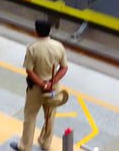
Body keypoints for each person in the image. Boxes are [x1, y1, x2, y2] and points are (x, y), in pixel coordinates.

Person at [11, 20, 69, 151]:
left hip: (36, 89)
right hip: (54, 89)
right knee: (50, 117)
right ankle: (45, 143)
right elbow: (64, 68)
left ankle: (25, 146)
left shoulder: (32, 48)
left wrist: (43, 84)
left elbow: (29, 71)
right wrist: (52, 82)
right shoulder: (58, 46)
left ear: (36, 31)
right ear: (49, 31)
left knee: (30, 116)